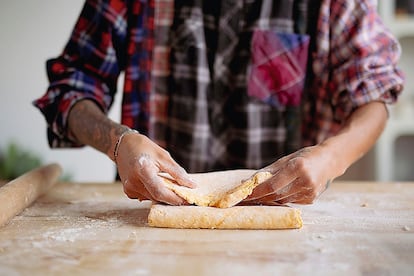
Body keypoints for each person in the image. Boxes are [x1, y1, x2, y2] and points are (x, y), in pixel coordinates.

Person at [33, 0, 404, 206]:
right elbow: (71, 87)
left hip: (285, 222)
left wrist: (330, 157)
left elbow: (374, 95)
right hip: (153, 219)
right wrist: (119, 142)